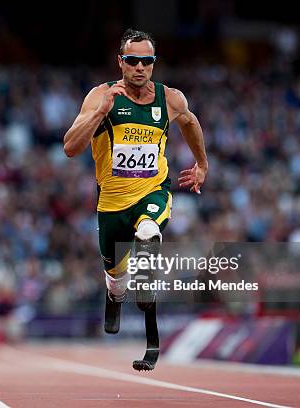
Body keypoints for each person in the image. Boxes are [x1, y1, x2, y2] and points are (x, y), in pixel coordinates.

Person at [63, 29, 208, 370]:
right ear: (121, 62)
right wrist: (101, 113)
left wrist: (202, 164)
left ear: (154, 64)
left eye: (147, 61)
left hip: (152, 191)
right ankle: (116, 295)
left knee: (147, 233)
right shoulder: (101, 96)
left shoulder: (170, 98)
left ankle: (145, 289)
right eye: (132, 60)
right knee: (115, 277)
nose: (140, 67)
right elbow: (70, 147)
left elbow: (189, 122)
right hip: (112, 204)